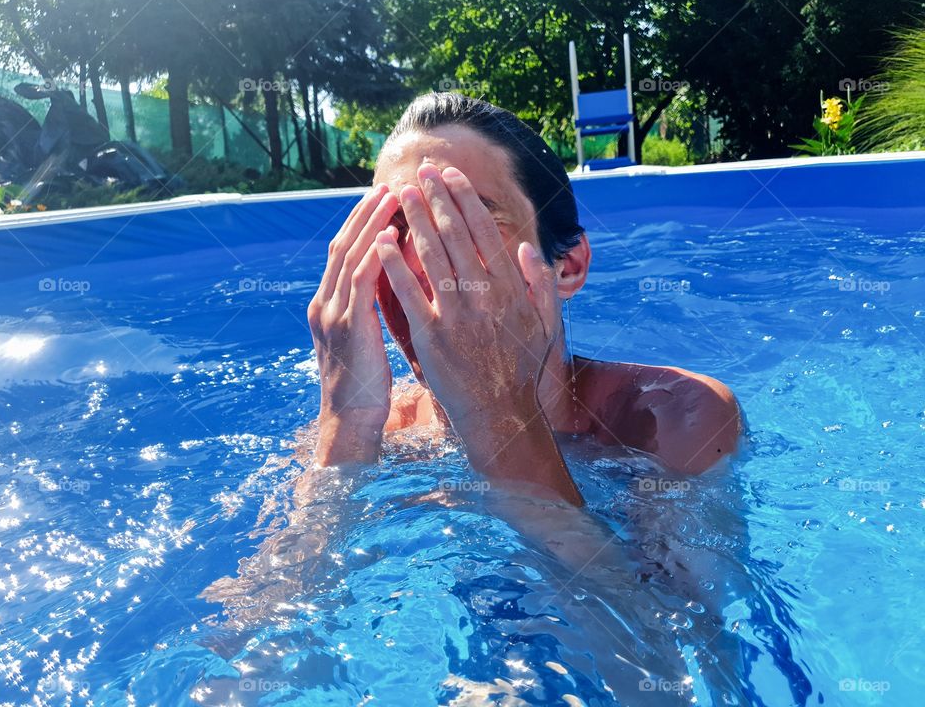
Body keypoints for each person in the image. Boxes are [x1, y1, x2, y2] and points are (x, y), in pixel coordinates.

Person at [307, 92, 743, 505]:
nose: (419, 260)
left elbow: (649, 570)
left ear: (567, 267)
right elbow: (290, 564)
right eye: (396, 226)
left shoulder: (669, 418)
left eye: (463, 218)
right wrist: (346, 426)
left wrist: (495, 414)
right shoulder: (372, 426)